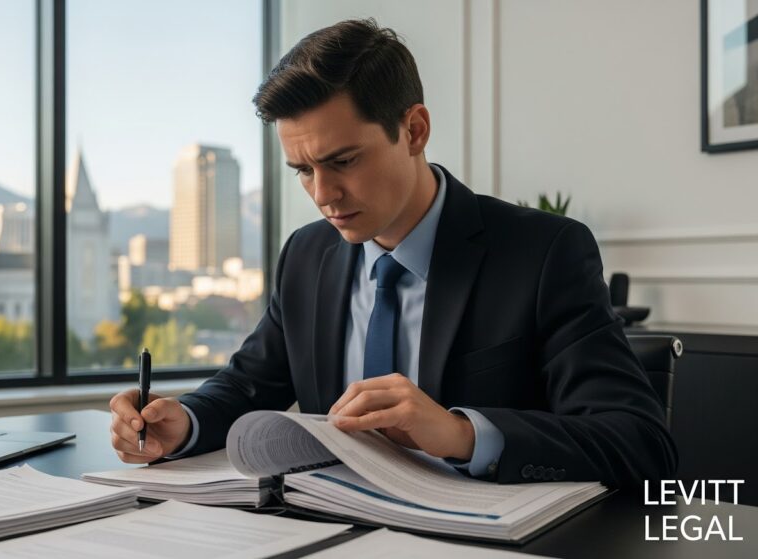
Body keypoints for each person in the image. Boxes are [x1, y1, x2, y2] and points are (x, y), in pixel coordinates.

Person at [109, 18, 676, 487]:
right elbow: (248, 384)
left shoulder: (544, 252)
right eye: (303, 170)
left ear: (415, 129)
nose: (323, 195)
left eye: (344, 161)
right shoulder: (306, 255)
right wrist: (182, 421)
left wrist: (462, 434)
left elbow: (640, 443)